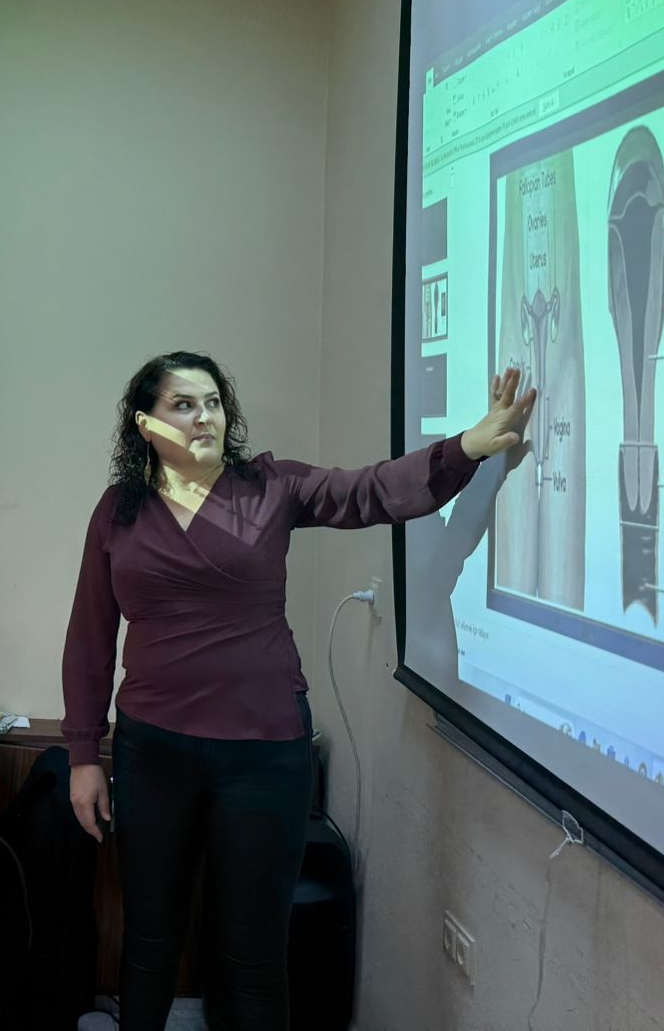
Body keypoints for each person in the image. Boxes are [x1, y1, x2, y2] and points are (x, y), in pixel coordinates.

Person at [61, 353, 534, 1031]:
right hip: (152, 754)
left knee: (252, 957)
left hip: (263, 759)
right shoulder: (119, 513)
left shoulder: (268, 487)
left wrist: (467, 449)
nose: (204, 417)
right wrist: (83, 754)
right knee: (150, 945)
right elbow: (90, 634)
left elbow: (371, 490)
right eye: (182, 404)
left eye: (213, 403)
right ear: (144, 425)